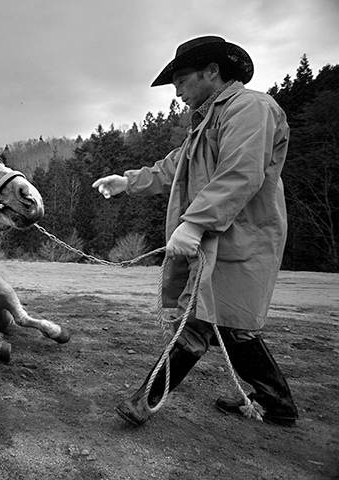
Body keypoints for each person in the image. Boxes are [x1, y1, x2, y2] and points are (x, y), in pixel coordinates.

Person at [93, 35, 298, 427]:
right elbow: (172, 168)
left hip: (242, 239)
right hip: (219, 239)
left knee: (206, 323)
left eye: (182, 82)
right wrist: (127, 181)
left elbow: (241, 173)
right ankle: (278, 403)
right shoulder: (206, 123)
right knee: (226, 325)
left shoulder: (251, 108)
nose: (178, 93)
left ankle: (143, 402)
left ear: (212, 71)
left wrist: (194, 223)